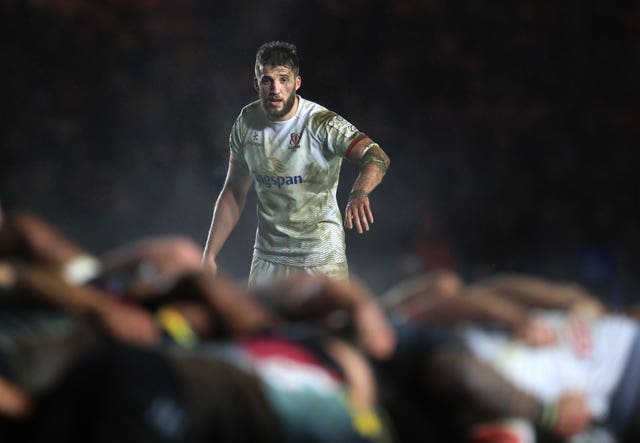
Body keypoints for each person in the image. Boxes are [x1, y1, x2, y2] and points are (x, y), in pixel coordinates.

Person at [201, 40, 390, 286]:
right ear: (256, 83)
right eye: (267, 80)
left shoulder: (321, 123)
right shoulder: (247, 122)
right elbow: (234, 191)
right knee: (259, 326)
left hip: (320, 260)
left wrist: (360, 192)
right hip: (268, 260)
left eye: (284, 79)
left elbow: (376, 156)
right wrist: (209, 255)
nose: (275, 89)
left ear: (297, 83)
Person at [381, 270, 640, 443]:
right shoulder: (593, 312)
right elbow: (488, 292)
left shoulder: (593, 417)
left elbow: (457, 371)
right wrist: (521, 319)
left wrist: (545, 415)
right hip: (467, 346)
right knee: (444, 288)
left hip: (498, 384)